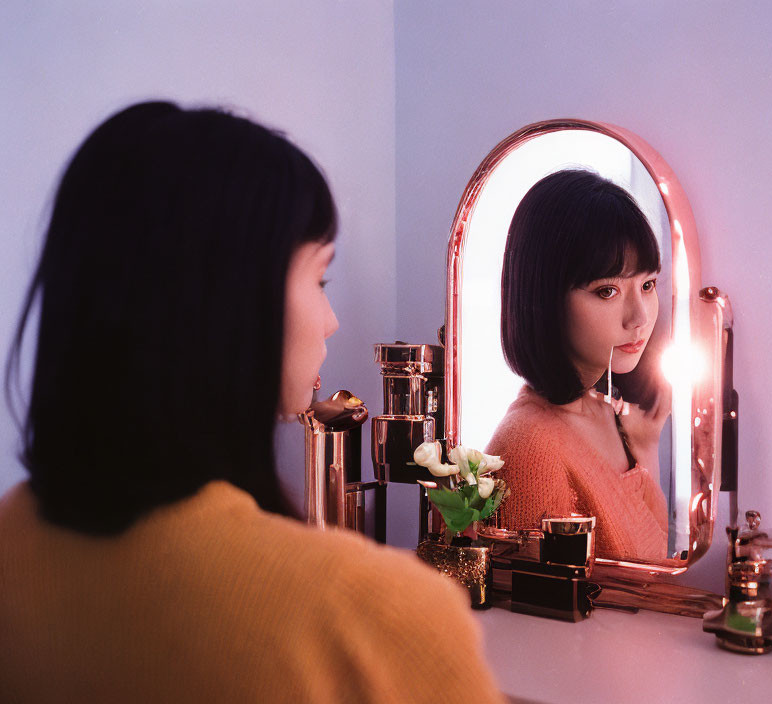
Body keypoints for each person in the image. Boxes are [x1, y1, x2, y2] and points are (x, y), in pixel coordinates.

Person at [0, 101, 505, 703]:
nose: (332, 321)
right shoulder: (381, 623)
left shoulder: (14, 543)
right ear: (226, 303)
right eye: (320, 281)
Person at [486, 169, 669, 561]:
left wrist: (647, 447)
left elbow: (649, 565)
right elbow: (544, 616)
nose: (639, 317)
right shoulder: (530, 448)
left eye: (648, 285)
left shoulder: (608, 414)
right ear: (544, 298)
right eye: (608, 290)